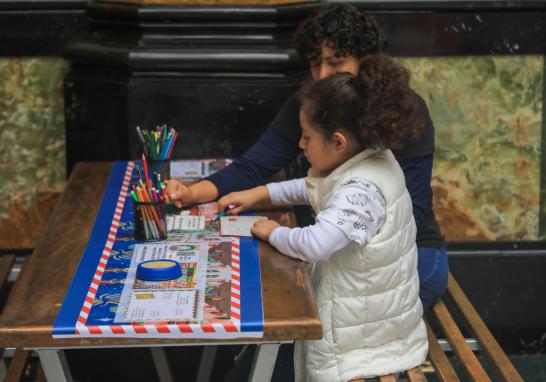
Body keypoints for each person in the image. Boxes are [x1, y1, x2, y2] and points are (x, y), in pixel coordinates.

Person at [165, 3, 448, 311]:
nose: (322, 75)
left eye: (336, 62)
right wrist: (192, 192)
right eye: (316, 63)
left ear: (366, 60)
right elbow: (253, 166)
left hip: (410, 255)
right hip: (335, 250)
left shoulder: (401, 111)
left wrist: (313, 245)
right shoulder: (313, 104)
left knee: (299, 318)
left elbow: (411, 215)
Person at [221, 54, 428, 381]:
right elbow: (315, 188)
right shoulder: (370, 158)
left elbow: (315, 245)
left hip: (358, 346)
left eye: (306, 136)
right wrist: (261, 193)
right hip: (371, 319)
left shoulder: (361, 191)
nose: (300, 144)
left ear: (338, 142)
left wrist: (272, 231)